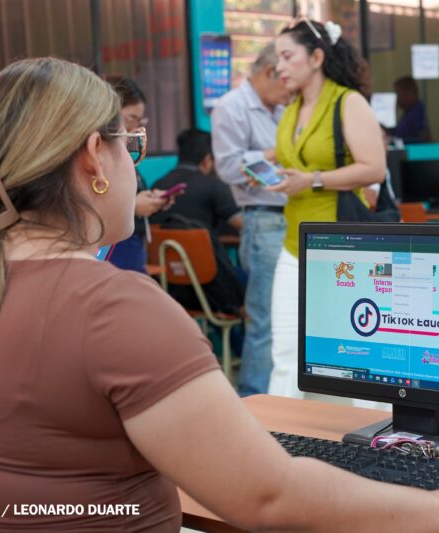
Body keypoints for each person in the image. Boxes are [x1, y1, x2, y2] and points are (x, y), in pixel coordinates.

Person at [0, 56, 439, 533]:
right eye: (130, 146)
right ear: (93, 160)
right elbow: (269, 497)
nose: (133, 163)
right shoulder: (113, 309)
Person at [266, 18, 385, 398]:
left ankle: (369, 430)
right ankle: (283, 429)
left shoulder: (348, 102)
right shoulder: (291, 109)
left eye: (288, 57)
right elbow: (295, 159)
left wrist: (312, 180)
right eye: (277, 58)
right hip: (294, 246)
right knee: (287, 353)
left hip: (343, 247)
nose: (280, 67)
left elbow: (374, 168)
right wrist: (270, 171)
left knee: (355, 353)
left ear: (316, 57)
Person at [211, 43, 291, 396]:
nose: (290, 91)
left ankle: (281, 397)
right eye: (285, 81)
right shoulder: (232, 106)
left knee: (288, 318)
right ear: (270, 71)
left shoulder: (280, 109)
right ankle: (253, 399)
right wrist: (280, 152)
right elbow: (228, 167)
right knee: (266, 320)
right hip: (264, 220)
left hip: (292, 215)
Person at [151, 129, 245, 316]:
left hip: (169, 289)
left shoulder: (158, 186)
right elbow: (243, 224)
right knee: (250, 279)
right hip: (212, 291)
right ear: (208, 159)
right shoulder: (213, 186)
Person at [106, 76, 171, 273]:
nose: (135, 127)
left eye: (140, 120)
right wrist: (134, 206)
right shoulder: (102, 156)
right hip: (114, 247)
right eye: (130, 118)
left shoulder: (128, 154)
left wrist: (150, 200)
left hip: (132, 244)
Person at [394, 75, 430, 143]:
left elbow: (423, 140)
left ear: (407, 93)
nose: (397, 99)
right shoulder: (409, 112)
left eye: (398, 94)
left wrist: (400, 141)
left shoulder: (417, 113)